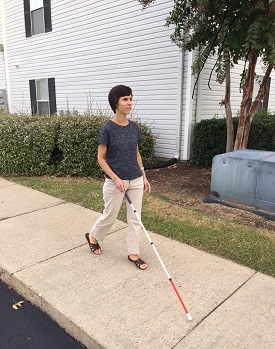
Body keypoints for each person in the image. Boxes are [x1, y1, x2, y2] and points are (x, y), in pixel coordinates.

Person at [85, 85, 151, 270]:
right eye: (125, 99)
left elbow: (136, 152)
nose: (130, 103)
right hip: (116, 182)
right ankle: (93, 237)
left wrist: (144, 176)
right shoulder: (107, 129)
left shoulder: (134, 127)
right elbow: (100, 158)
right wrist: (114, 177)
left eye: (130, 99)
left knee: (135, 218)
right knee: (110, 215)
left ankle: (133, 253)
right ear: (116, 103)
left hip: (135, 179)